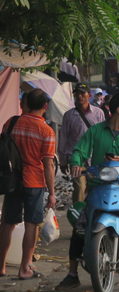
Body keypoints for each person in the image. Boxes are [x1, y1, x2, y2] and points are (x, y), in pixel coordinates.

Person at [55, 92, 119, 290]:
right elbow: (79, 151)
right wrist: (76, 164)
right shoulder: (95, 131)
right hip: (98, 187)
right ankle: (72, 274)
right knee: (80, 228)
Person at [0, 89, 56, 279]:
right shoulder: (47, 131)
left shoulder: (11, 123)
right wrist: (52, 192)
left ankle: (1, 266)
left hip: (12, 180)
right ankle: (25, 268)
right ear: (45, 107)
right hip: (34, 182)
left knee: (7, 223)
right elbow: (48, 164)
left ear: (24, 104)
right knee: (32, 223)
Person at [58, 83, 105, 203]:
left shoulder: (98, 113)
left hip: (94, 158)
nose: (79, 96)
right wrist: (62, 161)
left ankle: (91, 214)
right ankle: (78, 216)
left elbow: (104, 136)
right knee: (79, 187)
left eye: (82, 93)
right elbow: (63, 138)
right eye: (77, 93)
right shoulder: (69, 115)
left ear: (89, 95)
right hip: (76, 159)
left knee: (94, 187)